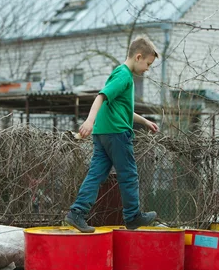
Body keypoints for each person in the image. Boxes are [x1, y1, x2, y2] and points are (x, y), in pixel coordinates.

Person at [65, 36, 160, 233]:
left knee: (96, 174)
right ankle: (133, 217)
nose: (148, 69)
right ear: (138, 57)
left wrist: (144, 121)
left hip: (103, 133)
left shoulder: (120, 75)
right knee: (129, 175)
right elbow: (101, 96)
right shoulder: (124, 76)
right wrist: (89, 121)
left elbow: (122, 108)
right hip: (116, 133)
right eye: (148, 64)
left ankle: (77, 213)